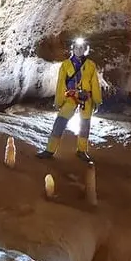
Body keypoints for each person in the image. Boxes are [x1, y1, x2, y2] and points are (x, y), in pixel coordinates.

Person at [37, 37, 103, 165]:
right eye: (77, 47)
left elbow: (94, 83)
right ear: (72, 49)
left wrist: (97, 100)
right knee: (60, 122)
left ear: (85, 49)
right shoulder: (66, 65)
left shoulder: (90, 65)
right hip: (71, 97)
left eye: (81, 48)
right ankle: (49, 150)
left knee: (84, 125)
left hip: (86, 98)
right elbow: (61, 84)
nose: (79, 50)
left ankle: (82, 150)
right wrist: (58, 101)